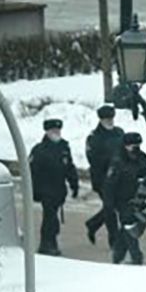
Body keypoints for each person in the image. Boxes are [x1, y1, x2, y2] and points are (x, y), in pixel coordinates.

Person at [29, 118, 79, 256]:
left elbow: (69, 167)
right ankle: (47, 244)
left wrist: (74, 184)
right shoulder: (39, 150)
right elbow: (31, 172)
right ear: (47, 132)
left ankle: (51, 242)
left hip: (59, 190)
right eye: (53, 131)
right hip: (45, 190)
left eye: (58, 130)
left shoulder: (63, 148)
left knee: (52, 217)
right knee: (50, 218)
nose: (56, 133)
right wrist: (34, 190)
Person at [103, 132, 146, 265]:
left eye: (138, 145)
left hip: (139, 198)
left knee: (133, 226)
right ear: (126, 146)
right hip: (122, 199)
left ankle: (118, 253)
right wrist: (109, 203)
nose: (136, 148)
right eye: (132, 145)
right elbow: (109, 184)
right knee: (129, 224)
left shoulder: (142, 158)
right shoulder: (118, 161)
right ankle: (136, 256)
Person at [85, 104, 124, 249]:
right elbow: (92, 158)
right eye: (107, 119)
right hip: (102, 179)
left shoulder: (119, 133)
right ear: (101, 120)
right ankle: (114, 240)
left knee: (116, 206)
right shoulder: (94, 137)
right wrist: (111, 162)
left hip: (119, 178)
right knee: (110, 209)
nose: (110, 121)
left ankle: (93, 224)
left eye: (111, 118)